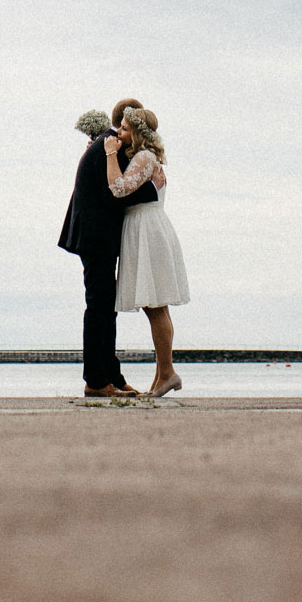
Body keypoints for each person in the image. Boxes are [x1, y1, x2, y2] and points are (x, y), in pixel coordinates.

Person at [58, 97, 156, 398]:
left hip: (95, 236)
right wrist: (153, 185)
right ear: (125, 121)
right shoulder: (107, 146)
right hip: (95, 238)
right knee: (99, 307)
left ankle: (111, 375)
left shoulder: (106, 142)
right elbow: (118, 193)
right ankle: (97, 381)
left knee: (105, 307)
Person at [106, 106, 189, 398]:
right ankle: (161, 376)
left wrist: (106, 153)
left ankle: (167, 373)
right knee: (156, 307)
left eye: (126, 129)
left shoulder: (143, 157)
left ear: (139, 132)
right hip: (147, 226)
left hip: (146, 229)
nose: (119, 133)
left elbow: (119, 188)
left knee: (155, 307)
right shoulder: (147, 157)